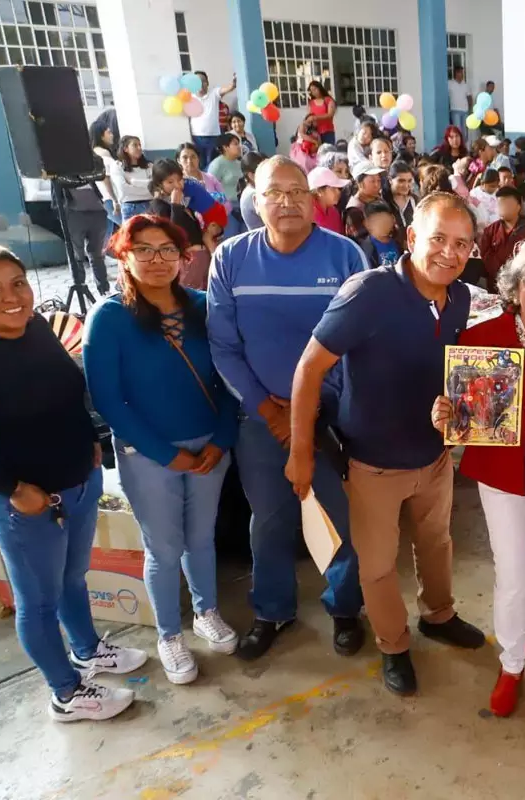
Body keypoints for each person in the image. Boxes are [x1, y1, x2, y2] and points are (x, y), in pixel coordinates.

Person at [286, 192, 487, 697]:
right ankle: (393, 645)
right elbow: (309, 368)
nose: (449, 252)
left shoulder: (460, 297)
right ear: (413, 237)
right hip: (373, 462)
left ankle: (438, 616)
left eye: (462, 244)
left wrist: (458, 410)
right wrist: (301, 450)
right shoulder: (368, 293)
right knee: (376, 567)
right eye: (438, 238)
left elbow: (453, 370)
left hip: (435, 457)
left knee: (437, 546)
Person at [0, 245, 147, 720]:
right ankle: (66, 692)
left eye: (18, 283)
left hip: (78, 482)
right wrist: (12, 488)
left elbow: (62, 393)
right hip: (25, 505)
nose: (12, 297)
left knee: (71, 579)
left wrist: (90, 442)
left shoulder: (36, 327)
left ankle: (85, 648)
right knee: (38, 602)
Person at [207, 156, 369, 661]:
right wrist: (269, 410)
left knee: (341, 519)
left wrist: (317, 408)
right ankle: (272, 609)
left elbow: (363, 339)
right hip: (260, 422)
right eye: (273, 192)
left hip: (331, 419)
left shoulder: (344, 256)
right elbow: (223, 347)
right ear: (254, 201)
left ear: (314, 198)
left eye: (297, 191)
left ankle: (345, 609)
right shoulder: (230, 259)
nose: (287, 201)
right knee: (269, 518)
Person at [83, 215, 240, 684]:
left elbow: (229, 378)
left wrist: (222, 439)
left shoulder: (203, 306)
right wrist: (165, 453)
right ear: (124, 257)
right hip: (147, 454)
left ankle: (206, 612)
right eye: (144, 250)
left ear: (183, 256)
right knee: (164, 547)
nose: (157, 261)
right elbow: (109, 400)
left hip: (210, 445)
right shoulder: (109, 317)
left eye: (167, 250)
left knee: (201, 538)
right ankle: (169, 634)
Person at [429, 237, 525, 716]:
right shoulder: (483, 336)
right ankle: (511, 662)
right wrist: (445, 413)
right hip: (503, 472)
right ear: (514, 287)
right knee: (513, 569)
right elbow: (461, 410)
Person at [146, 158, 227, 290]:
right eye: (170, 182)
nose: (177, 185)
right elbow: (171, 234)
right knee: (191, 301)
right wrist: (175, 206)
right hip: (187, 262)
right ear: (160, 184)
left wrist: (211, 231)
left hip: (201, 258)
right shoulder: (159, 205)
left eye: (180, 180)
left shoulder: (185, 200)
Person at [479, 186, 525, 291]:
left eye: (507, 204)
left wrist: (513, 273)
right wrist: (500, 273)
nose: (502, 208)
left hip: (519, 283)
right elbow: (485, 254)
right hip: (494, 283)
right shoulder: (490, 230)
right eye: (500, 204)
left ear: (518, 206)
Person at [189, 71, 237, 165]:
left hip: (214, 137)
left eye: (203, 81)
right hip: (197, 137)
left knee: (213, 164)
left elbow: (227, 89)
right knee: (200, 164)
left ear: (207, 83)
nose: (200, 84)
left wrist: (233, 85)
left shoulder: (214, 93)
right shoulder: (190, 98)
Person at [110, 136, 154, 221]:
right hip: (130, 208)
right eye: (135, 145)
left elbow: (154, 187)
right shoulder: (117, 166)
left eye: (140, 145)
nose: (139, 148)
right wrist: (147, 186)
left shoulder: (149, 166)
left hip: (150, 205)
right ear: (126, 148)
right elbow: (124, 189)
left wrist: (133, 182)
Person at [384, 161, 417, 231]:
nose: (406, 185)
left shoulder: (414, 200)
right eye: (401, 181)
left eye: (409, 181)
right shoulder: (383, 203)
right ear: (390, 180)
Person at [305, 81, 337, 145]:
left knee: (328, 151)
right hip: (315, 132)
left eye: (315, 89)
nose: (314, 92)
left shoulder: (328, 100)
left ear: (320, 88)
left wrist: (315, 117)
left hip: (328, 131)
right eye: (312, 90)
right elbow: (309, 116)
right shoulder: (311, 103)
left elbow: (330, 115)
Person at [448, 66, 471, 136]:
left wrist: (470, 109)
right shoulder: (450, 83)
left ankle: (463, 145)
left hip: (465, 111)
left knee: (464, 131)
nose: (462, 74)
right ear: (456, 73)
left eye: (462, 73)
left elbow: (469, 96)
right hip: (455, 110)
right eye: (460, 72)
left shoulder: (465, 84)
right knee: (457, 130)